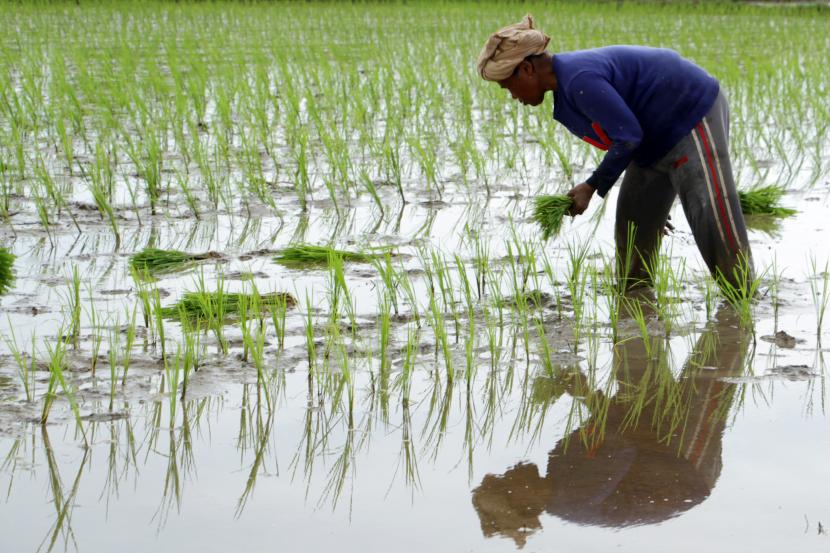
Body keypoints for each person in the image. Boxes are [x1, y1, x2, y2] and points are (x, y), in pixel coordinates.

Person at [476, 15, 754, 290]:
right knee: (634, 229)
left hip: (689, 113)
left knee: (712, 219)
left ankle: (743, 303)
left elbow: (628, 136)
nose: (512, 95)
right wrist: (655, 207)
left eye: (507, 86)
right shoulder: (566, 90)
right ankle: (636, 310)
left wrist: (591, 186)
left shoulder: (578, 79)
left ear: (526, 69)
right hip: (650, 140)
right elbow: (628, 134)